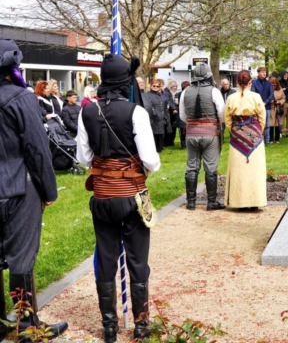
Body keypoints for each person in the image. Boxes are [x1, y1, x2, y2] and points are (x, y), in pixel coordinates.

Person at [76, 54, 160, 342]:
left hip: (101, 198)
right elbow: (151, 161)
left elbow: (83, 157)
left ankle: (109, 327)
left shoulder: (86, 111)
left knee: (106, 260)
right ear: (126, 81)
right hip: (131, 197)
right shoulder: (136, 112)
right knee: (138, 261)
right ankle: (141, 325)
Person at [0, 40, 68, 341]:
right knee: (22, 259)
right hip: (18, 187)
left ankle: (6, 324)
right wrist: (49, 190)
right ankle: (27, 327)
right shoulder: (21, 98)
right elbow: (37, 150)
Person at [179, 64, 226, 211]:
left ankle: (191, 202)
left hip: (191, 134)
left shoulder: (185, 92)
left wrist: (193, 124)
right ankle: (211, 202)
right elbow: (222, 114)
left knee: (191, 168)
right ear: (208, 75)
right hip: (210, 134)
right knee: (210, 168)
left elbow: (182, 115)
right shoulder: (214, 91)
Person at [224, 70, 267, 210]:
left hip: (237, 135)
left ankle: (239, 202)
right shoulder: (256, 97)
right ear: (250, 82)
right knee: (255, 170)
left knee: (238, 169)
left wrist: (236, 132)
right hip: (254, 134)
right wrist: (257, 132)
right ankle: (255, 201)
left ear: (236, 82)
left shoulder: (231, 98)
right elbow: (262, 117)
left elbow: (227, 119)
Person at [250, 67, 274, 144]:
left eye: (265, 72)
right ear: (258, 73)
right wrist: (260, 103)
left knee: (267, 124)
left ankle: (267, 141)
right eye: (262, 72)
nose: (264, 73)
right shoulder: (255, 83)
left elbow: (272, 94)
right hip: (258, 107)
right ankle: (259, 140)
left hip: (267, 107)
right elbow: (252, 94)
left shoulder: (269, 83)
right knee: (258, 124)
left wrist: (266, 102)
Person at [145, 80, 167, 152]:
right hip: (153, 117)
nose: (155, 87)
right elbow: (148, 105)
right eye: (154, 86)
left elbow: (164, 104)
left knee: (160, 133)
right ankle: (154, 148)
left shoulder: (160, 95)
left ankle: (159, 147)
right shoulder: (148, 95)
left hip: (161, 117)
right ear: (151, 86)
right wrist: (154, 113)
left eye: (157, 86)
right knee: (153, 133)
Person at [269, 76, 285, 144]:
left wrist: (279, 102)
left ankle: (277, 139)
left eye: (275, 85)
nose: (274, 87)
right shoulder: (268, 90)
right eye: (272, 85)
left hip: (278, 109)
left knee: (278, 124)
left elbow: (284, 98)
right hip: (271, 108)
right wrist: (270, 101)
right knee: (271, 125)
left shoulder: (280, 89)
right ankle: (271, 139)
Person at [163, 80, 179, 147]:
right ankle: (168, 141)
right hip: (169, 112)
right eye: (173, 86)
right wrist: (174, 108)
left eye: (176, 86)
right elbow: (168, 101)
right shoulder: (166, 92)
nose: (175, 88)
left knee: (173, 127)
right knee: (169, 127)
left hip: (172, 112)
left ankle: (171, 141)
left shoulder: (174, 93)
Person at [176, 81, 189, 149]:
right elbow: (176, 103)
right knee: (182, 130)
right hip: (182, 114)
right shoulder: (178, 94)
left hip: (188, 114)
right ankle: (183, 144)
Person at [279, 70, 288, 138]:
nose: (286, 76)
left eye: (287, 75)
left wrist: (285, 89)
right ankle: (282, 132)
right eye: (285, 75)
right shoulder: (280, 82)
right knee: (282, 118)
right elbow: (280, 91)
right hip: (283, 103)